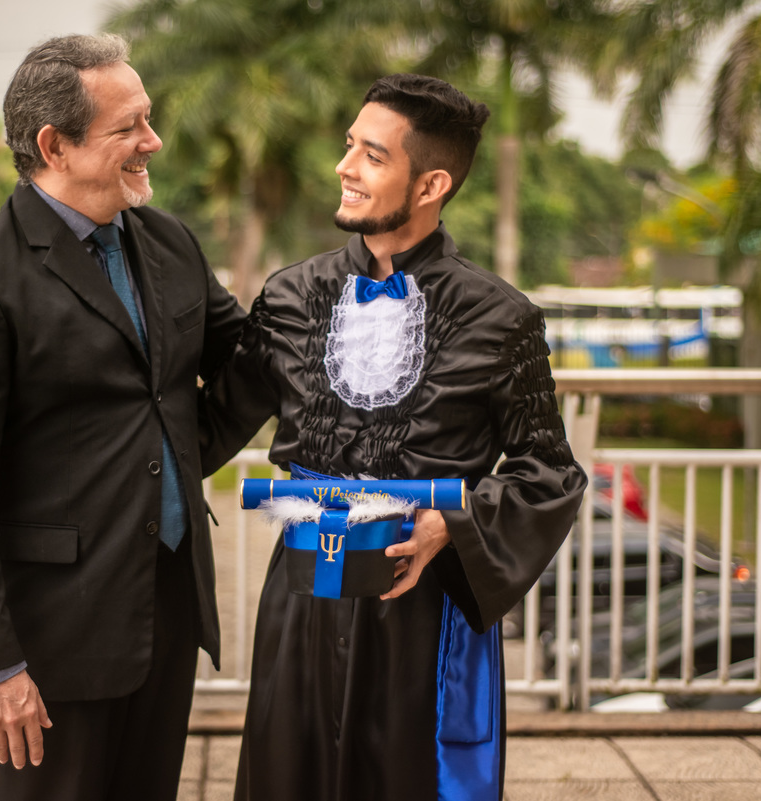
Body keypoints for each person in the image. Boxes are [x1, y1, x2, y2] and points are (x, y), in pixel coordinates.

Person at [197, 74, 588, 800]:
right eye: (349, 146)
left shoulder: (503, 320)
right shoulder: (287, 298)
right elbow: (205, 429)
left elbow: (550, 471)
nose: (344, 167)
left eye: (372, 155)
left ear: (432, 182)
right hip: (302, 596)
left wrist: (456, 522)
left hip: (423, 611)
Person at [0, 33, 245, 801]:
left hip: (166, 609)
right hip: (47, 638)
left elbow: (246, 360)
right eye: (128, 127)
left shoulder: (169, 239)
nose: (151, 142)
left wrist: (185, 449)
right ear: (53, 145)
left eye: (148, 119)